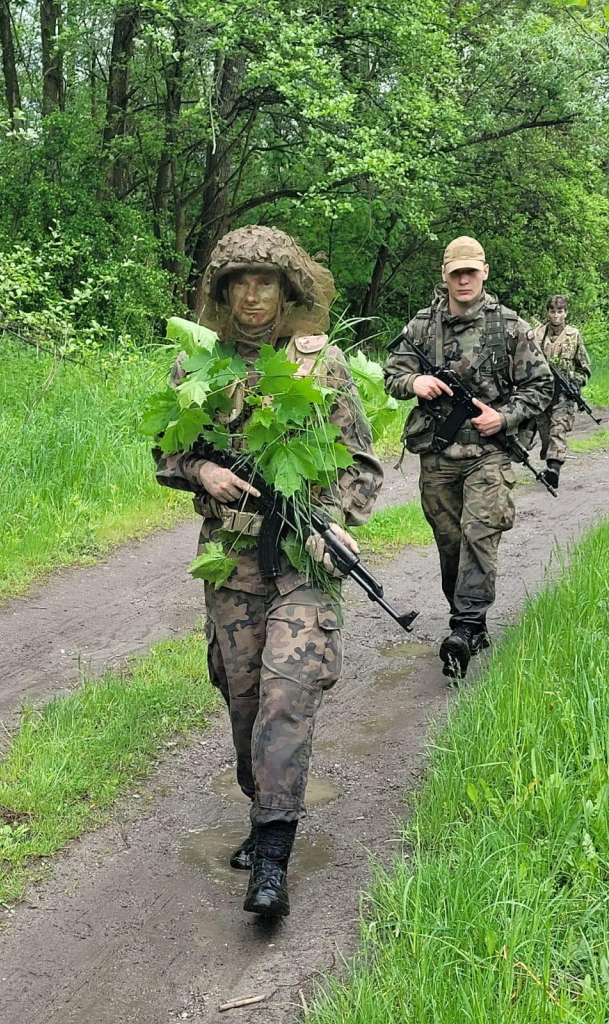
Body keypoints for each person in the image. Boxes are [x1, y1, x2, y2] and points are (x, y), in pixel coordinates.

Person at [154, 225, 383, 917]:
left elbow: (362, 466)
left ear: (287, 291)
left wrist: (337, 519)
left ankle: (274, 858)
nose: (253, 297)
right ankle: (264, 809)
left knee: (290, 692)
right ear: (224, 294)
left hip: (303, 562)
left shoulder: (323, 365)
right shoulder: (197, 369)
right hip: (232, 564)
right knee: (246, 699)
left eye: (266, 284)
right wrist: (204, 470)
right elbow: (167, 454)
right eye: (239, 284)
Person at [383, 236, 553, 680]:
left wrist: (504, 417)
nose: (463, 280)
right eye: (455, 272)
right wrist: (415, 383)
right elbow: (392, 373)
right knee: (450, 542)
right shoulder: (421, 326)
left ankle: (466, 626)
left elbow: (541, 386)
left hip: (489, 454)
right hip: (438, 453)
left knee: (480, 533)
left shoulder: (510, 327)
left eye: (470, 272)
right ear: (444, 274)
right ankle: (466, 617)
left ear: (484, 272)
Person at [532, 294, 592, 491]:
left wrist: (575, 382)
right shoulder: (537, 335)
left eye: (560, 311)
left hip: (563, 395)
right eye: (553, 311)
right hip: (542, 392)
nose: (556, 316)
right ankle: (549, 463)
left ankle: (553, 471)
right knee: (546, 433)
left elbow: (585, 368)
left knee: (559, 429)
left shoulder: (573, 336)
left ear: (566, 313)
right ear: (547, 312)